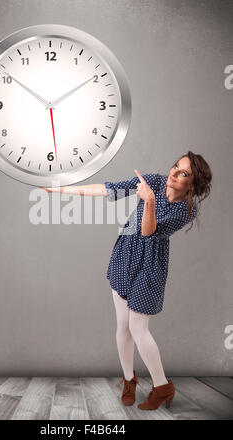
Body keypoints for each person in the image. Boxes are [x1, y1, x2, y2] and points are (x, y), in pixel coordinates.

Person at [42, 151, 212, 411]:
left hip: (150, 267)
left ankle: (162, 386)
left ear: (193, 185)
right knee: (123, 324)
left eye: (183, 173)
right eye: (175, 166)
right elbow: (108, 189)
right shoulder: (154, 181)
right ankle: (129, 380)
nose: (174, 174)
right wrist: (63, 190)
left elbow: (148, 232)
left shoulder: (187, 210)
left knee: (138, 328)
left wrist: (150, 202)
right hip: (125, 255)